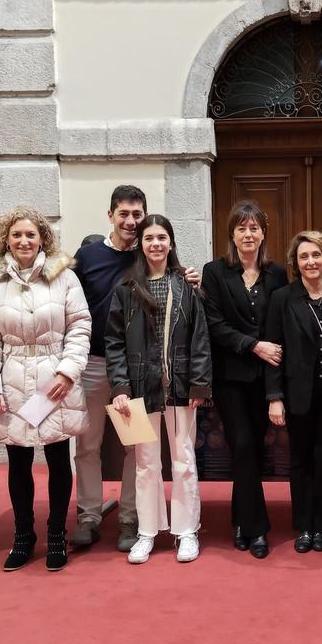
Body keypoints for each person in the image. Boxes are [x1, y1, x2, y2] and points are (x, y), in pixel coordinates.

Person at [70, 186, 201, 553]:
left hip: (144, 375)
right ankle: (90, 515)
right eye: (123, 214)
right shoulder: (88, 256)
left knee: (138, 449)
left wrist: (191, 280)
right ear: (110, 215)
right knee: (88, 444)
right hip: (97, 365)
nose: (131, 221)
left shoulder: (151, 260)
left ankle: (132, 518)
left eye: (137, 215)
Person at [0, 207, 92, 573]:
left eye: (30, 234)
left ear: (42, 237)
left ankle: (56, 534)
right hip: (12, 378)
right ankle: (23, 536)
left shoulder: (64, 278)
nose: (24, 241)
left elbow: (80, 326)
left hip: (53, 378)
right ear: (6, 240)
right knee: (19, 461)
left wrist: (68, 372)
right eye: (16, 235)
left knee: (59, 458)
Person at [107, 215, 212, 565]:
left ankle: (187, 532)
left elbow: (201, 339)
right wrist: (120, 386)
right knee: (145, 463)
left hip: (181, 387)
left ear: (171, 242)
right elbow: (114, 342)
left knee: (183, 460)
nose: (155, 244)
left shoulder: (186, 286)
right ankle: (147, 532)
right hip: (138, 388)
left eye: (162, 237)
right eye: (149, 237)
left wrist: (200, 383)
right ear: (141, 244)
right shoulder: (125, 288)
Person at [201, 201, 288, 560]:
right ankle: (256, 530)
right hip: (232, 379)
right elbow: (215, 324)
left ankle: (241, 517)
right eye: (241, 228)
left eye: (254, 228)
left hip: (266, 377)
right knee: (244, 449)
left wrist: (274, 385)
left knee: (251, 450)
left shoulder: (277, 274)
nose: (248, 234)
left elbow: (279, 326)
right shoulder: (215, 271)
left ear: (263, 233)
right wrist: (253, 345)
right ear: (232, 235)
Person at [265, 231, 322, 553]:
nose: (311, 261)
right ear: (296, 263)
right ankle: (304, 526)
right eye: (304, 257)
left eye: (316, 255)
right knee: (301, 461)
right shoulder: (283, 297)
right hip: (298, 392)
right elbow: (273, 349)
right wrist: (274, 396)